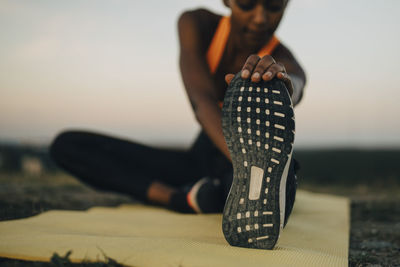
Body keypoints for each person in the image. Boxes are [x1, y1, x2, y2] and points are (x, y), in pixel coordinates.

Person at [50, 0, 306, 249]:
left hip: (238, 167)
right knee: (68, 145)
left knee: (276, 184)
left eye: (273, 6)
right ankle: (179, 198)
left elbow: (297, 81)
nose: (260, 17)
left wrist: (285, 89)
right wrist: (244, 163)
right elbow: (201, 102)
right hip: (206, 156)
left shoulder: (284, 58)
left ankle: (233, 191)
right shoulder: (197, 23)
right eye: (247, 4)